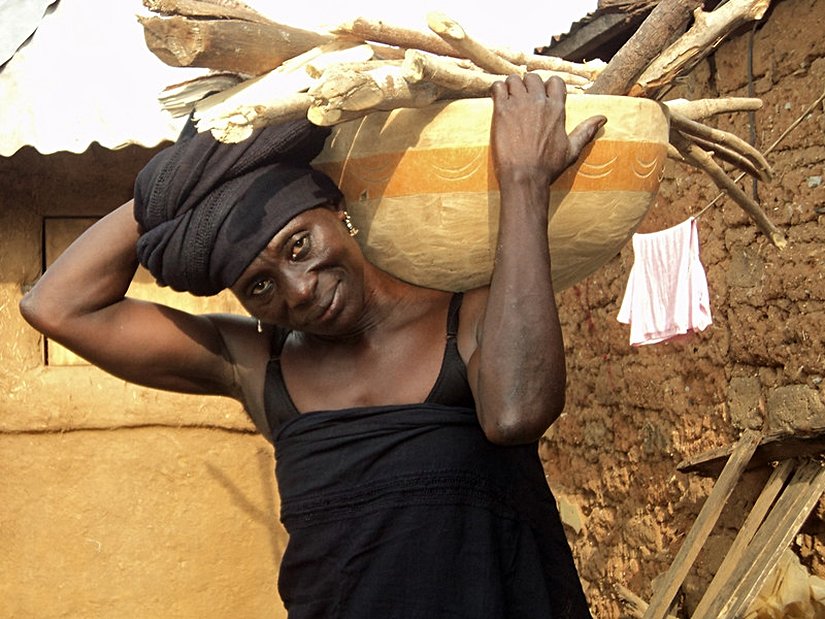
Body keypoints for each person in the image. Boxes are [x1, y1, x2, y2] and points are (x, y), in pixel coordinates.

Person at [20, 74, 605, 618]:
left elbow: (516, 413)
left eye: (298, 245)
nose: (298, 291)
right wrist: (182, 182)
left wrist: (524, 181)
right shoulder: (257, 363)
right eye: (260, 287)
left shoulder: (469, 313)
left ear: (337, 211)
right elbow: (55, 306)